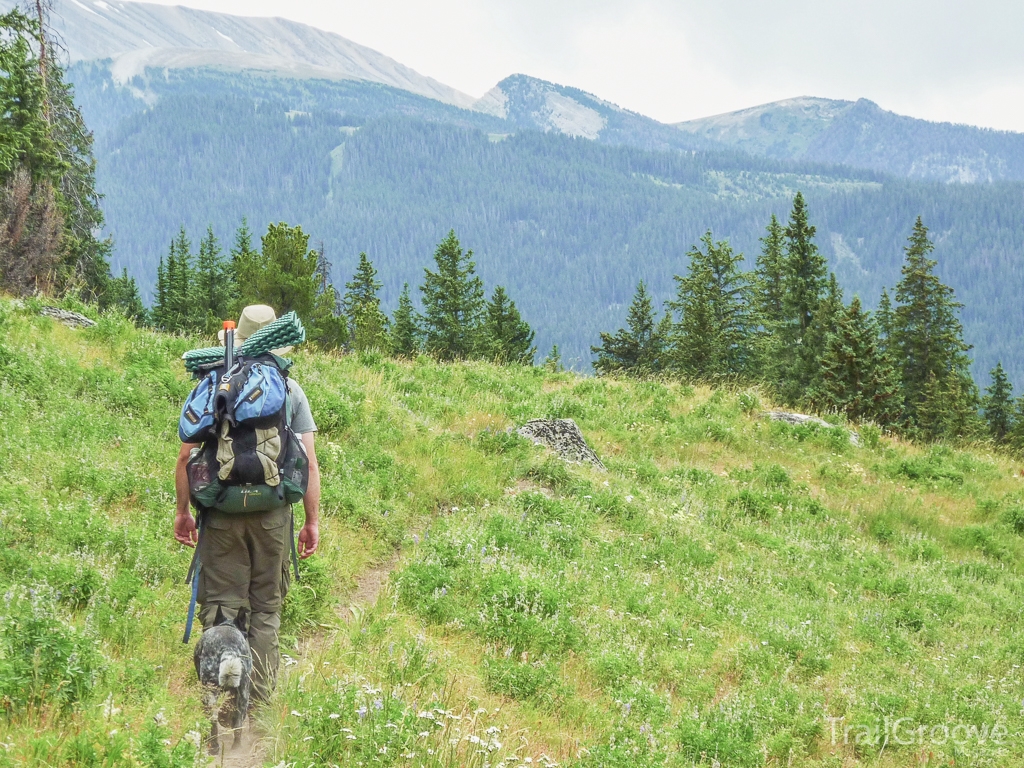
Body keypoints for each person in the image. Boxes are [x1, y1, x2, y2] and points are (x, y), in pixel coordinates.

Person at [173, 304, 321, 701]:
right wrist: (311, 522)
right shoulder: (289, 389)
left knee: (222, 604)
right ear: (275, 339)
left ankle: (221, 693)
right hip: (273, 513)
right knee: (267, 609)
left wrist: (183, 513)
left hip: (220, 513)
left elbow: (186, 456)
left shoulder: (214, 383)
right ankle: (258, 703)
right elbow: (307, 462)